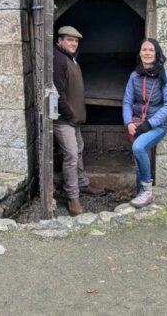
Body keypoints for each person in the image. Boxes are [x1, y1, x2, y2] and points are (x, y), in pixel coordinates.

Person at [53, 25, 103, 216]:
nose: (73, 43)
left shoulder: (70, 59)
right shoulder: (58, 60)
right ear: (60, 40)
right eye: (69, 40)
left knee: (79, 150)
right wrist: (70, 114)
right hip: (64, 120)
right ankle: (73, 198)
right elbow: (57, 93)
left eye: (76, 41)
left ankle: (82, 184)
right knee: (72, 156)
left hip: (73, 119)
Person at [123, 38, 167, 208]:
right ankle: (139, 193)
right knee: (141, 157)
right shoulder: (134, 76)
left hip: (158, 126)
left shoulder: (165, 75)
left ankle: (146, 190)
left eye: (151, 50)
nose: (147, 53)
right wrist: (128, 122)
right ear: (140, 53)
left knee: (138, 147)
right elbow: (127, 101)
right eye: (144, 50)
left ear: (157, 53)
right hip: (138, 123)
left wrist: (150, 123)